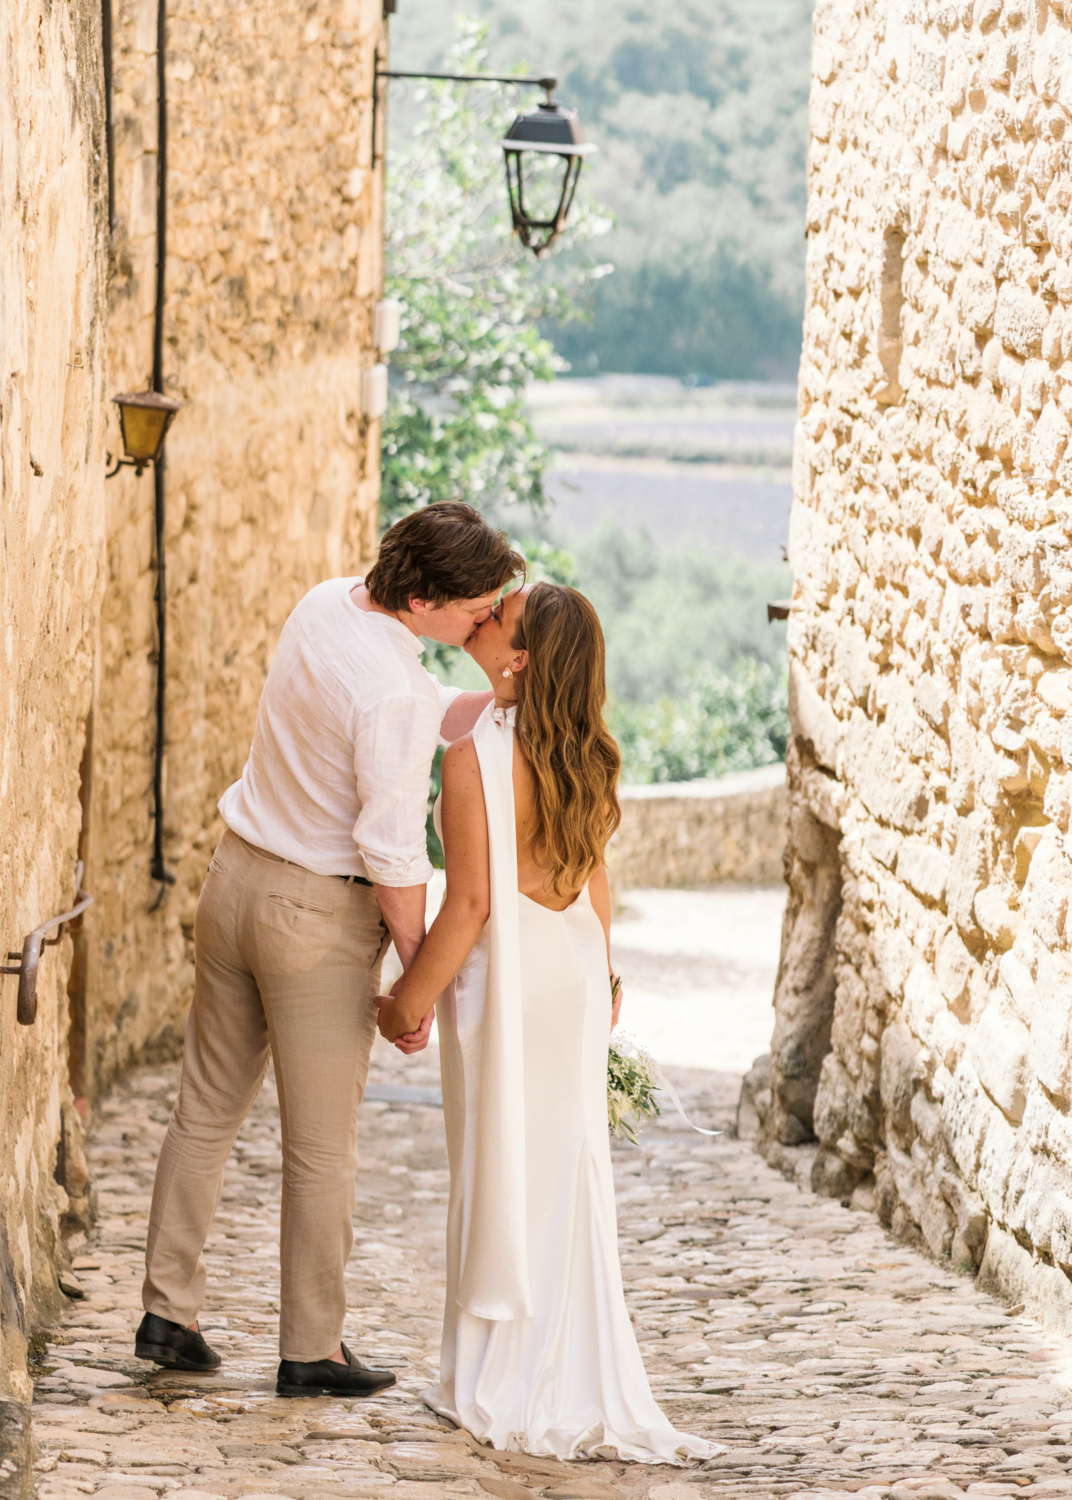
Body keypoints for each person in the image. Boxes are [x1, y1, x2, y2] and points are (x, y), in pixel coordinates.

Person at [135, 502, 522, 1398]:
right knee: (320, 1147)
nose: (483, 619)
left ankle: (168, 1311)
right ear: (423, 597)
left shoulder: (325, 606)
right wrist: (416, 979)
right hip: (313, 921)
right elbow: (392, 855)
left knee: (204, 1109)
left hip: (234, 884)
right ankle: (313, 1348)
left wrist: (489, 697)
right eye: (472, 606)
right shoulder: (393, 694)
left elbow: (397, 717)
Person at [374, 582, 714, 1462]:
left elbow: (472, 905)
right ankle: (560, 1367)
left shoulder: (469, 759)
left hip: (509, 983)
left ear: (521, 658)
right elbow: (595, 878)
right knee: (563, 1170)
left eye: (502, 619)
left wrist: (404, 1001)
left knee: (497, 1162)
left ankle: (499, 1373)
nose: (486, 621)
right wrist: (603, 974)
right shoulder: (590, 756)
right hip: (569, 973)